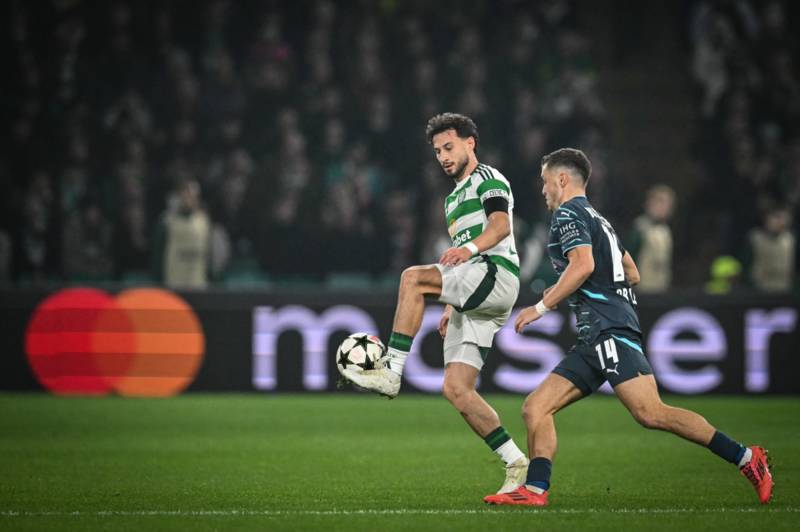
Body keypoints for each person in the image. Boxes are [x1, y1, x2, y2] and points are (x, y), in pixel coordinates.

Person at [484, 148, 773, 507]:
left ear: (562, 180)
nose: (542, 190)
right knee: (535, 407)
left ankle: (747, 458)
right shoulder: (599, 220)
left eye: (545, 182)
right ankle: (535, 490)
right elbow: (631, 272)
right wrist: (600, 295)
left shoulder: (568, 214)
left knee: (650, 412)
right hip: (596, 335)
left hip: (608, 330)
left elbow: (583, 265)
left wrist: (543, 305)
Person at [340, 113, 528, 494]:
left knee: (412, 278)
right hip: (475, 290)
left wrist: (469, 248)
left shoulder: (488, 179)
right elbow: (461, 267)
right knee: (457, 389)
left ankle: (391, 371)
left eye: (449, 147)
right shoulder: (452, 199)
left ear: (469, 143)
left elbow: (500, 226)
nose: (442, 156)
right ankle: (516, 462)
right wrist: (449, 303)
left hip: (497, 274)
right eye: (437, 151)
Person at [626, 184, 675, 293]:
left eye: (668, 203)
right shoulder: (640, 228)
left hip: (661, 287)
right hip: (642, 289)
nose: (664, 207)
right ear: (649, 203)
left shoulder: (665, 230)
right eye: (660, 202)